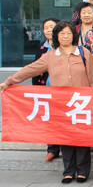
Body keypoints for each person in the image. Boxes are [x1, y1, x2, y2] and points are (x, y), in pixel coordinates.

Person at [0, 21, 93, 184]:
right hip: (61, 105)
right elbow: (30, 69)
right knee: (65, 137)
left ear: (74, 35)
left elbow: (91, 78)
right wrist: (9, 81)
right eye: (62, 33)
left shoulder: (83, 53)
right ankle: (68, 171)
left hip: (82, 104)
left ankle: (82, 171)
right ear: (56, 36)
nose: (66, 36)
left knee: (82, 137)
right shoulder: (50, 56)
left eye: (69, 33)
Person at [32, 17, 61, 162]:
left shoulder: (64, 47)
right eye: (46, 27)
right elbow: (35, 69)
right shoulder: (41, 48)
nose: (49, 30)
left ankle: (66, 147)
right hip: (46, 90)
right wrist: (36, 89)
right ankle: (52, 149)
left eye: (52, 27)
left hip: (62, 91)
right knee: (50, 120)